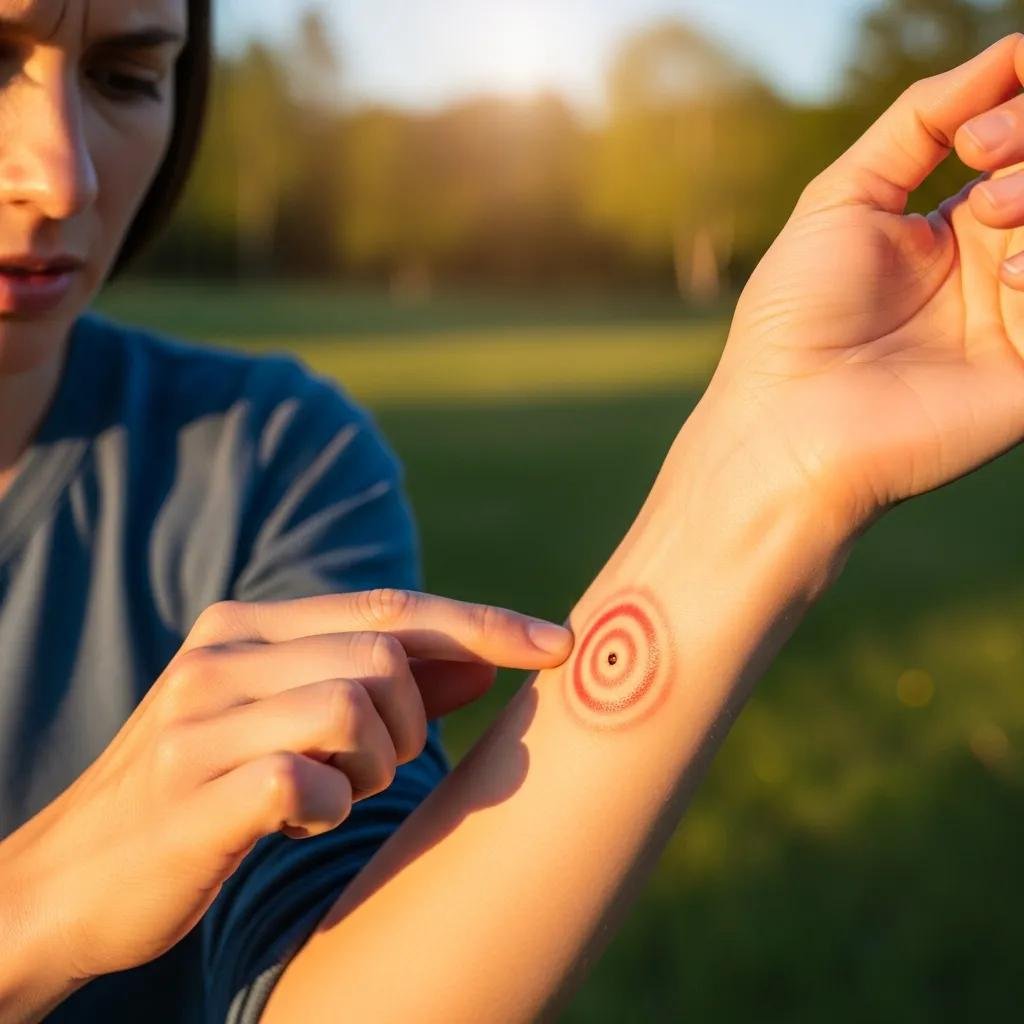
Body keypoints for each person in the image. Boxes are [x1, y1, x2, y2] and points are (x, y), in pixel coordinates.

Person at [2, 2, 1024, 1022]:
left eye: (127, 77)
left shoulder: (265, 456)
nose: (62, 176)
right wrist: (38, 904)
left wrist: (772, 469)